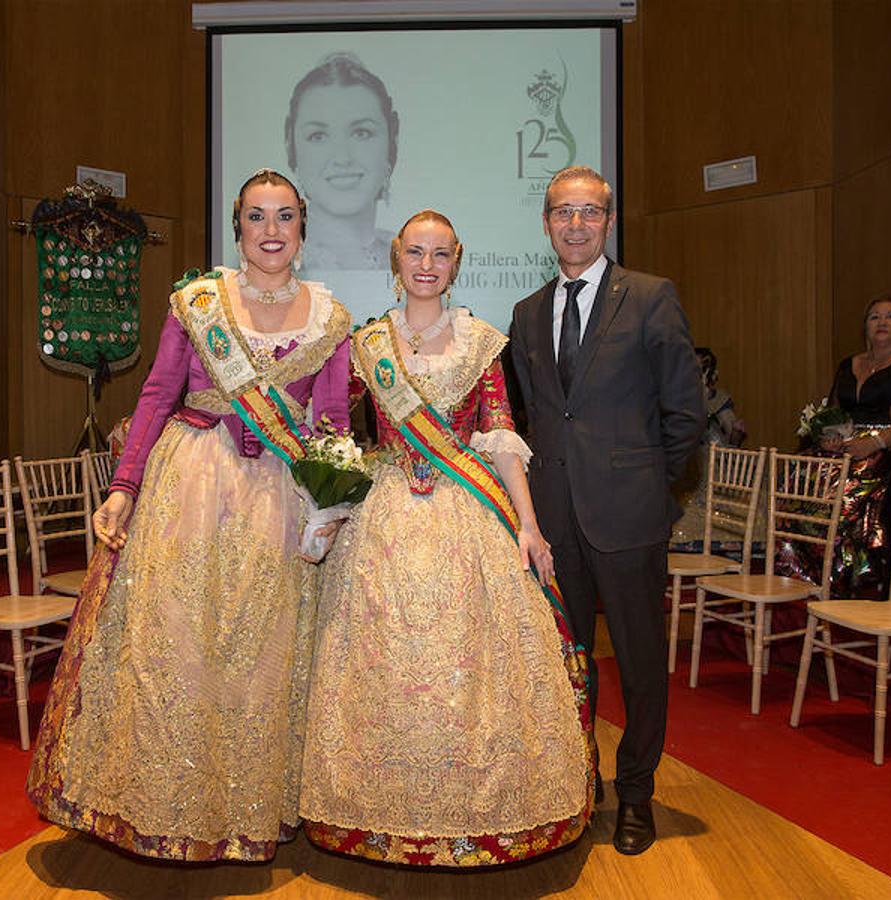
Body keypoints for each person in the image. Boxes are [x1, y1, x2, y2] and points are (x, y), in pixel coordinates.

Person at [27, 170, 352, 862]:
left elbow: (332, 425)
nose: (271, 230)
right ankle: (168, 803)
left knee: (261, 655)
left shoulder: (331, 318)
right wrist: (124, 486)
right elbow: (155, 395)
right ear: (238, 226)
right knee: (179, 644)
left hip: (279, 497)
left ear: (302, 229)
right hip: (191, 487)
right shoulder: (196, 303)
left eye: (285, 216)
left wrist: (328, 504)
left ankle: (249, 810)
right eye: (257, 216)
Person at [299, 210, 591, 867]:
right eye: (414, 252)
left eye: (440, 254)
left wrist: (529, 524)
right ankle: (376, 813)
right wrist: (327, 499)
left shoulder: (481, 342)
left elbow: (502, 437)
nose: (426, 265)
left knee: (471, 667)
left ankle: (474, 813)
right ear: (396, 259)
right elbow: (340, 431)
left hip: (466, 517)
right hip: (387, 517)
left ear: (456, 262)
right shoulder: (368, 342)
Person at [507, 166, 705, 856]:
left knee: (642, 664)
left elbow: (686, 413)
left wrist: (653, 489)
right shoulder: (528, 312)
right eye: (564, 212)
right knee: (569, 660)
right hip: (555, 521)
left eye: (590, 212)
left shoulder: (651, 298)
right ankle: (577, 782)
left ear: (609, 222)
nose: (576, 224)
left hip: (629, 519)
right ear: (546, 223)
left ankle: (636, 795)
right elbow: (535, 418)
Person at [780, 296, 891, 598]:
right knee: (795, 487)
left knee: (845, 500)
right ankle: (801, 577)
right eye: (874, 317)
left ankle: (848, 582)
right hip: (846, 447)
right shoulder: (849, 363)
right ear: (865, 326)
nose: (882, 322)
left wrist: (873, 444)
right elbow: (834, 413)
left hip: (890, 445)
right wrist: (830, 436)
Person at [284, 52, 397, 273]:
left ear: (392, 140)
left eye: (361, 133)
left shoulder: (411, 261)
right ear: (292, 146)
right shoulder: (265, 266)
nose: (343, 158)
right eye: (318, 136)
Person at [671, 346, 746, 549]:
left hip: (713, 458)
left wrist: (737, 431)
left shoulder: (718, 398)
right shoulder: (679, 397)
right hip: (687, 458)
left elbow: (732, 440)